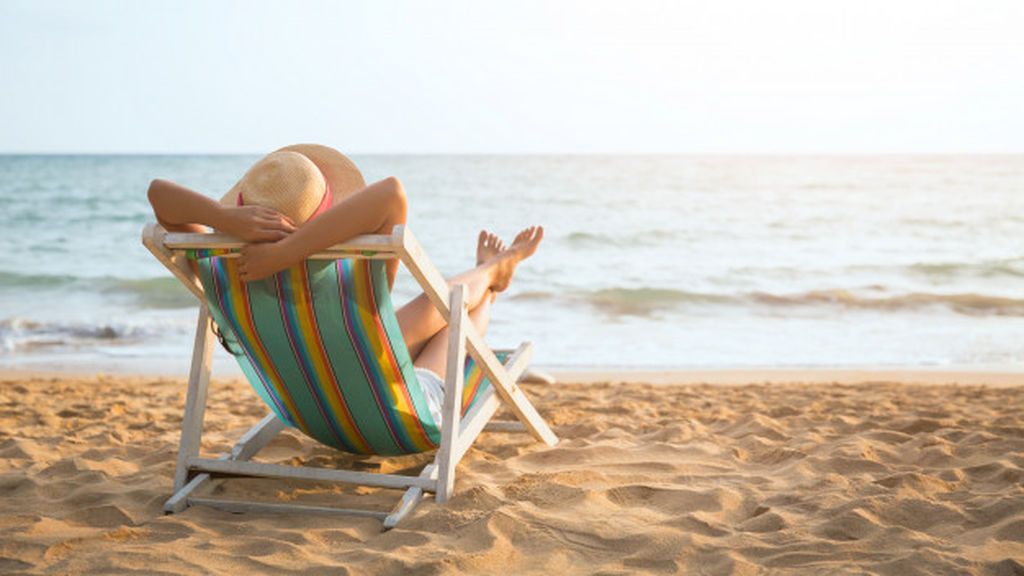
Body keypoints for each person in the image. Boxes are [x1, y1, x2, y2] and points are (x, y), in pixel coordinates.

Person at [147, 144, 542, 424]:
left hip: (311, 410)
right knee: (455, 312)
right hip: (396, 412)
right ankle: (493, 276)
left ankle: (493, 271)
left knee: (437, 305)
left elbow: (158, 195)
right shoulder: (344, 285)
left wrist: (225, 220)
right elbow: (392, 193)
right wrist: (289, 252)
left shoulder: (224, 274)